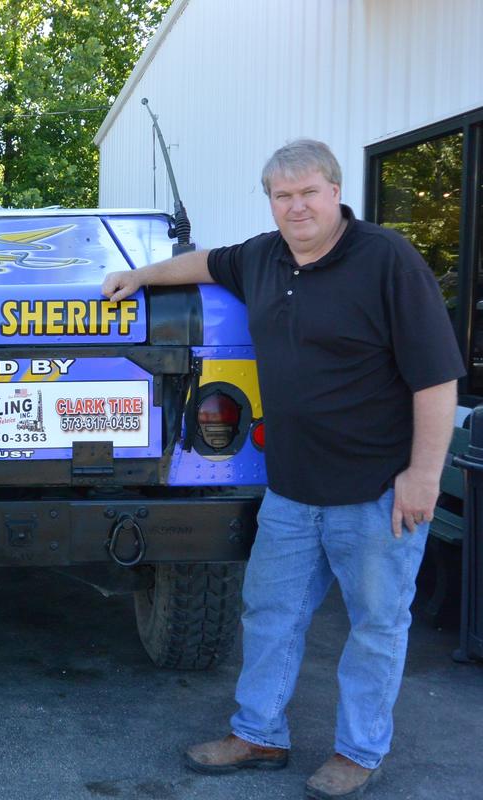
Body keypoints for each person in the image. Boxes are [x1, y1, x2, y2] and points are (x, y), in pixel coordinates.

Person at [102, 139, 463, 800]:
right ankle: (258, 734)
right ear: (271, 201)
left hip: (376, 492)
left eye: (308, 193)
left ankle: (359, 751)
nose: (296, 207)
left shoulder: (387, 260)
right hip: (292, 491)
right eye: (282, 196)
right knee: (270, 615)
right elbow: (203, 263)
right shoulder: (264, 256)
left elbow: (436, 380)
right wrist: (144, 276)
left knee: (376, 629)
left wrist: (422, 475)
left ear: (335, 192)